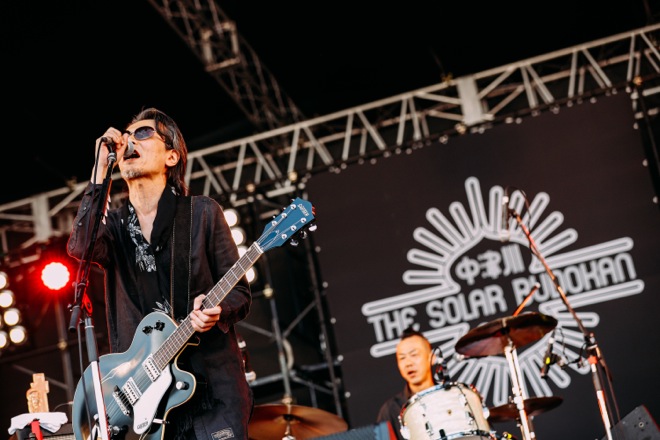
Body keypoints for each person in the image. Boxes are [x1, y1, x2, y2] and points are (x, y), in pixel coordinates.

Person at [67, 107, 253, 440]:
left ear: (171, 156)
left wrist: (217, 311)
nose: (130, 141)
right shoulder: (115, 229)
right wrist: (99, 170)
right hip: (145, 403)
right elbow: (80, 247)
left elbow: (239, 292)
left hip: (211, 393)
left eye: (143, 133)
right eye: (127, 136)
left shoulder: (202, 213)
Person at [376, 327, 439, 440]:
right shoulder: (390, 409)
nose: (408, 363)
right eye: (402, 358)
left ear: (432, 358)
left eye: (414, 354)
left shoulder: (452, 396)